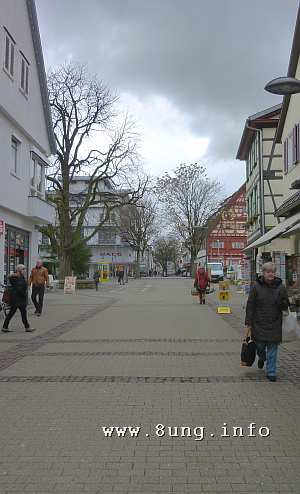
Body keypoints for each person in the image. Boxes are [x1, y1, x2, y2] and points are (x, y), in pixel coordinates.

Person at [245, 262, 289, 382]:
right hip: (258, 322)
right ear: (263, 273)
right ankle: (261, 357)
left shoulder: (280, 286)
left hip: (274, 321)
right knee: (259, 346)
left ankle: (271, 372)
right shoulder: (256, 286)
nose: (271, 274)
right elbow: (250, 305)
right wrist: (248, 322)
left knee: (272, 348)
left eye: (273, 272)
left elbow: (285, 302)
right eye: (268, 272)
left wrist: (284, 303)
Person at [2, 264, 35, 332]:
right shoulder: (16, 277)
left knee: (12, 313)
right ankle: (27, 327)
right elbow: (19, 288)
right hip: (18, 298)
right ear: (19, 270)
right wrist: (24, 294)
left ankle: (5, 327)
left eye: (24, 269)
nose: (24, 270)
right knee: (22, 313)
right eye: (23, 269)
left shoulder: (20, 276)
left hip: (18, 298)